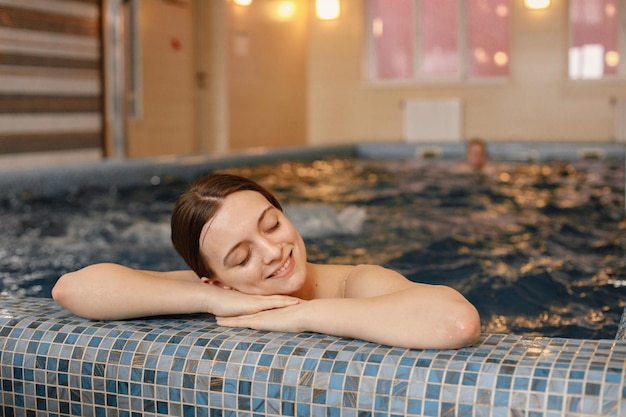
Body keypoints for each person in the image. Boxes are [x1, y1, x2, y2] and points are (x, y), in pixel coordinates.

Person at [52, 173, 481, 350]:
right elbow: (73, 289)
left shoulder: (358, 281)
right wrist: (215, 302)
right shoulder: (222, 291)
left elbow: (455, 322)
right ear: (215, 279)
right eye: (241, 258)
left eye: (272, 225)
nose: (274, 252)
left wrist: (302, 314)